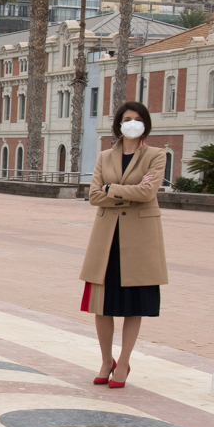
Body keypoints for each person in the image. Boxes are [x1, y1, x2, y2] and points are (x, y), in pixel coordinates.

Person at [80, 101, 167, 389]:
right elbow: (93, 195)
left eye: (138, 119)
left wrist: (112, 189)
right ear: (119, 123)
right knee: (101, 306)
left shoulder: (156, 155)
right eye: (127, 118)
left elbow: (148, 191)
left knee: (134, 307)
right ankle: (106, 360)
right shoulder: (105, 156)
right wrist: (127, 192)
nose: (132, 123)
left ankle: (124, 361)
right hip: (106, 239)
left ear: (146, 125)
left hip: (139, 241)